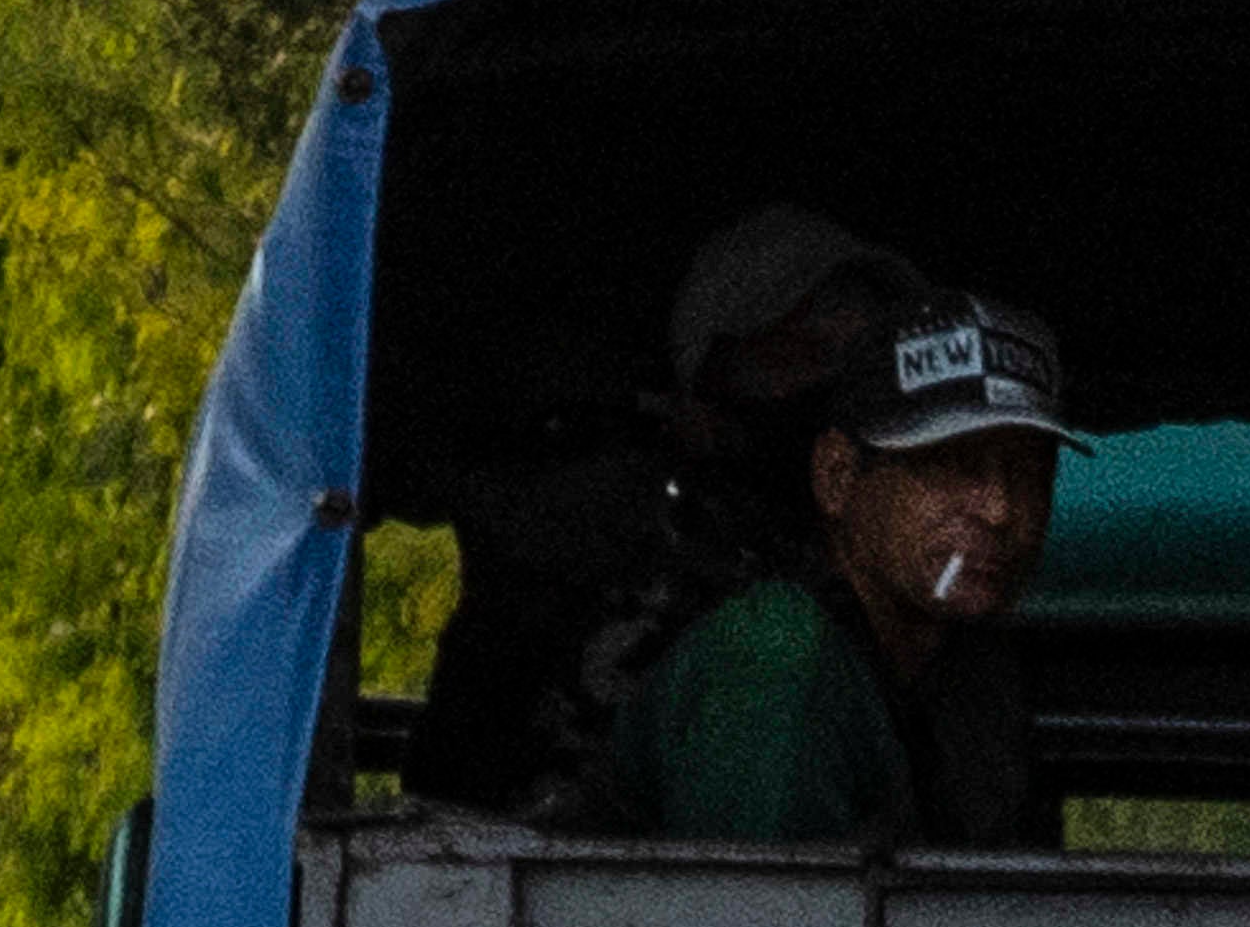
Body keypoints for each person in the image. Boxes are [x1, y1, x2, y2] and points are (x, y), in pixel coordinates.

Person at [411, 204, 928, 816]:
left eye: (857, 356)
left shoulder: (896, 543)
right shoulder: (604, 529)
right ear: (705, 364)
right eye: (800, 345)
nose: (828, 379)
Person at [593, 288, 1075, 848]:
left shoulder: (963, 672)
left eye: (1030, 471)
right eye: (950, 464)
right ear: (839, 477)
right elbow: (755, 922)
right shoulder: (776, 661)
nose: (1000, 509)